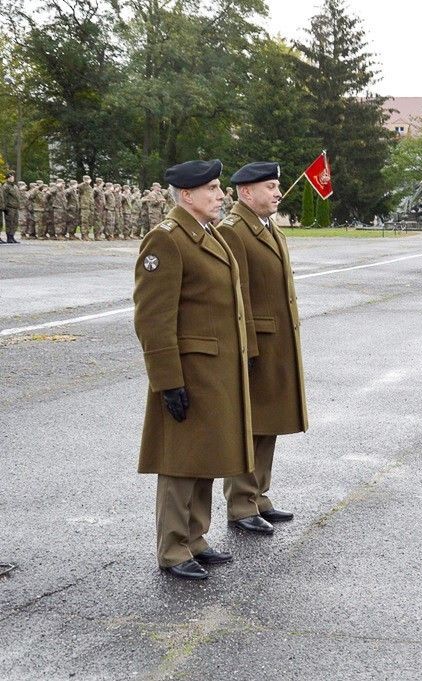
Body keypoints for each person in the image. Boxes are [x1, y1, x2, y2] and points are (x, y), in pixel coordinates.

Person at [132, 159, 254, 580]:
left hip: (213, 370)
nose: (221, 196)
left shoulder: (207, 234)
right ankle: (172, 548)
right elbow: (153, 319)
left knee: (205, 455)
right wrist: (167, 382)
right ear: (187, 194)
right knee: (180, 462)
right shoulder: (166, 240)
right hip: (186, 370)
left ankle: (195, 537)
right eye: (214, 189)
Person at [216, 162, 308, 534]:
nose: (277, 193)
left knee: (268, 421)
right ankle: (240, 503)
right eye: (269, 187)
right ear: (245, 192)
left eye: (277, 186)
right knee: (250, 424)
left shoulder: (269, 228)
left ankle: (258, 494)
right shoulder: (234, 230)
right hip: (255, 346)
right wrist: (247, 350)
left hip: (277, 342)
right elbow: (235, 298)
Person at [0, 174, 15, 244]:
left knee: (13, 223)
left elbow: (2, 197)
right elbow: (5, 197)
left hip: (8, 206)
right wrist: (5, 207)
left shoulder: (13, 186)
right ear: (8, 178)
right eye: (11, 177)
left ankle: (11, 236)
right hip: (9, 206)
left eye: (13, 177)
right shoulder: (5, 186)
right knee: (9, 222)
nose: (13, 178)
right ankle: (9, 237)